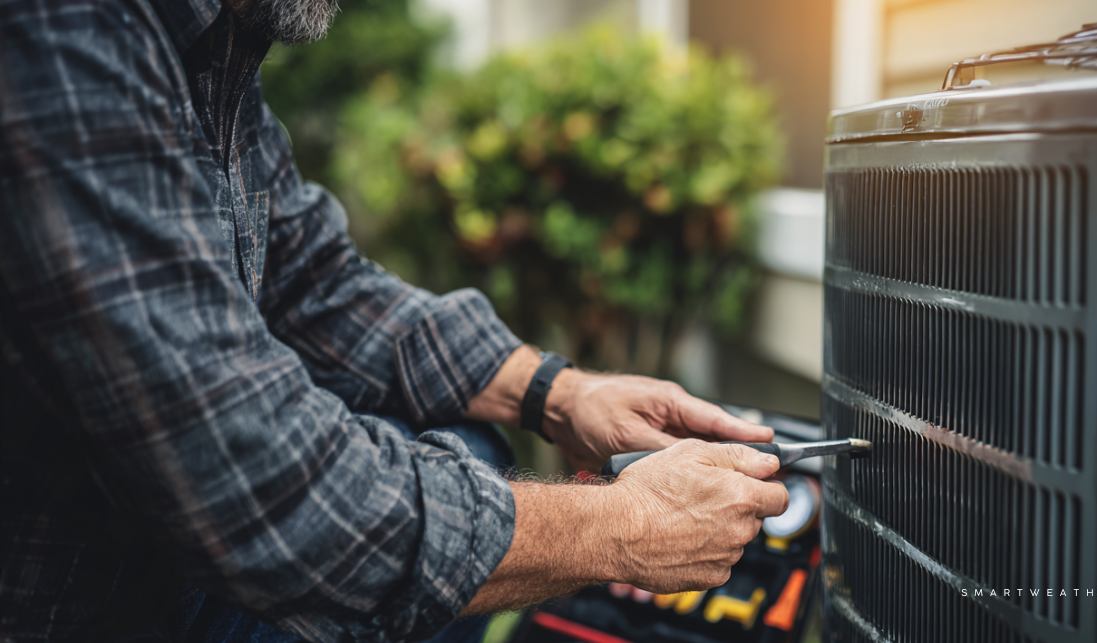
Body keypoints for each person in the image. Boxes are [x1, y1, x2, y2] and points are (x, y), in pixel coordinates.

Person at [0, 0, 791, 640]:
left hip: (162, 572)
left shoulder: (213, 52)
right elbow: (273, 488)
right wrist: (623, 525)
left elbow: (312, 279)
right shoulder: (64, 30)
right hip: (72, 606)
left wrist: (556, 392)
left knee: (471, 441)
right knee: (457, 481)